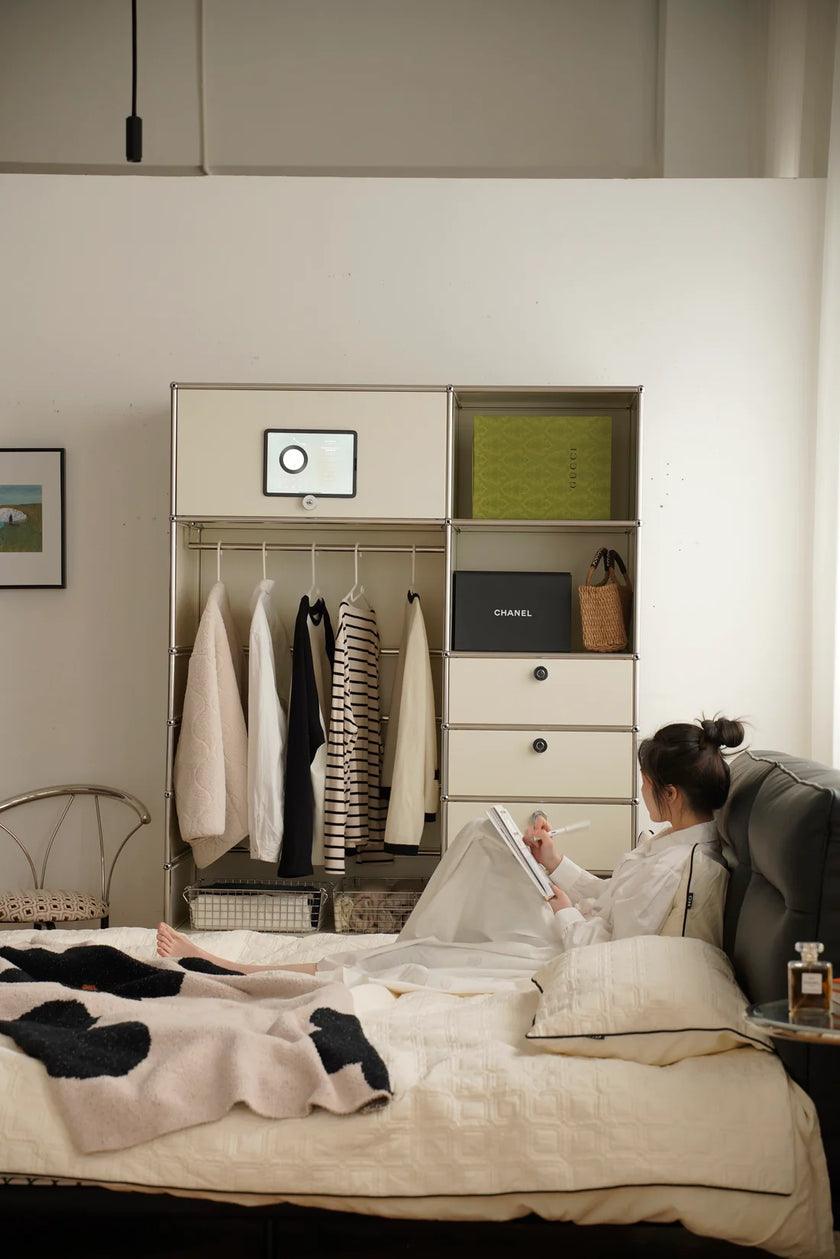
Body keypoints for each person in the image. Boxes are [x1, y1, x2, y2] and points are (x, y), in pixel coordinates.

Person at [156, 715, 744, 987]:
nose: (639, 792)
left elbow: (613, 951)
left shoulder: (685, 870)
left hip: (569, 949)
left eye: (645, 784)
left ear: (669, 793)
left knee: (425, 956)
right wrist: (553, 865)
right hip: (571, 925)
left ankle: (240, 970)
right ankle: (259, 966)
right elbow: (612, 900)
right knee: (488, 844)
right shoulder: (673, 845)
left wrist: (562, 906)